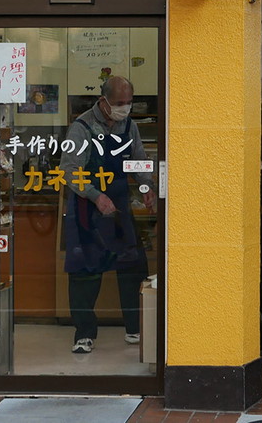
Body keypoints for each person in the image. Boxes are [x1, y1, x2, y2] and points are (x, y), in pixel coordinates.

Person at [60, 74, 155, 354]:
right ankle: (84, 334)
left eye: (128, 102)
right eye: (119, 103)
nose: (124, 108)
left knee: (132, 266)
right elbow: (68, 170)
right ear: (103, 101)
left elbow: (138, 160)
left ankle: (135, 328)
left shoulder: (130, 126)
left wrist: (147, 184)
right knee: (85, 271)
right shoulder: (82, 127)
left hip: (120, 205)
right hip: (87, 207)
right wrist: (95, 195)